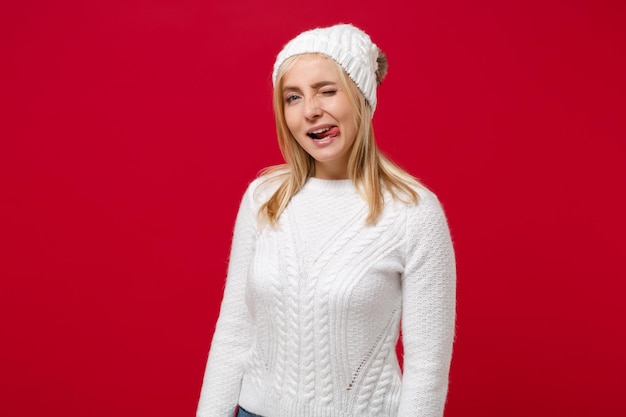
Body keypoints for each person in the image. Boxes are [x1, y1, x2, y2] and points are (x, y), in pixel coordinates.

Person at [197, 23, 456, 417]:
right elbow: (235, 333)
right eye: (293, 97)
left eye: (327, 91)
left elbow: (427, 367)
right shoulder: (265, 199)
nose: (310, 110)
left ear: (361, 98)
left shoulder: (413, 213)